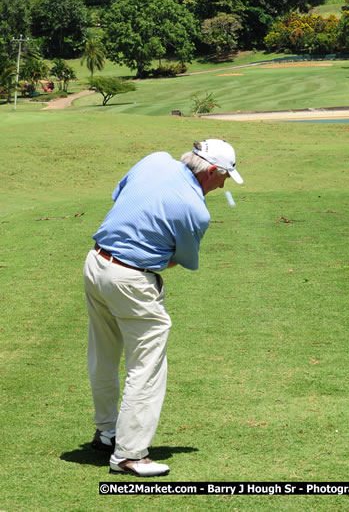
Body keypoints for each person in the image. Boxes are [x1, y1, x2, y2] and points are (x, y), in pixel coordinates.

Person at [83, 139, 243, 477]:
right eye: (225, 175)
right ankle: (129, 454)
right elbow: (178, 259)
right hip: (131, 279)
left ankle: (108, 432)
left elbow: (120, 196)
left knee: (104, 353)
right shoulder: (196, 210)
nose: (225, 182)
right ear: (211, 171)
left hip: (95, 262)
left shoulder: (155, 159)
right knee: (147, 365)